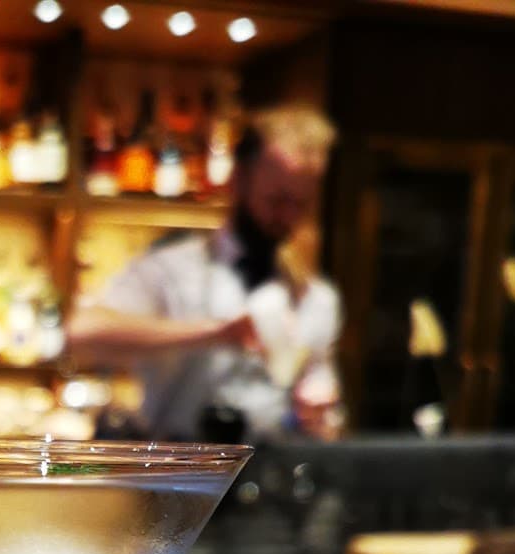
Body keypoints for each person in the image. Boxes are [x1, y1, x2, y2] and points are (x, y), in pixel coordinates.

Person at [66, 104, 342, 441]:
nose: (286, 217)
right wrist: (215, 333)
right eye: (276, 200)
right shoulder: (173, 268)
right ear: (238, 181)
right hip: (180, 472)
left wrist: (318, 410)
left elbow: (322, 399)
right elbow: (82, 333)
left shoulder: (316, 298)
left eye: (299, 205)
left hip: (274, 477)